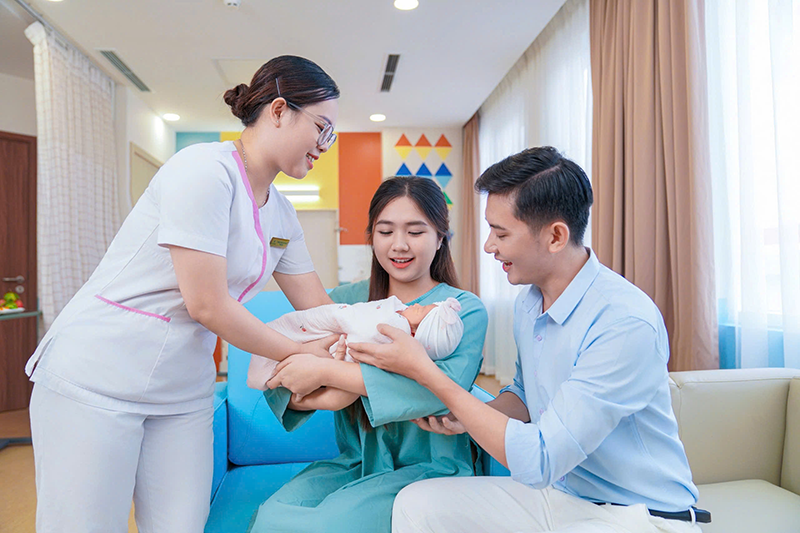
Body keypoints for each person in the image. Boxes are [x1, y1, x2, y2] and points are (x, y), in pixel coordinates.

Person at [24, 55, 341, 533]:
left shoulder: (282, 214)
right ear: (279, 110)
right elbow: (207, 304)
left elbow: (320, 309)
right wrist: (299, 355)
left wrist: (391, 331)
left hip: (182, 391)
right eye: (321, 128)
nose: (324, 146)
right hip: (98, 377)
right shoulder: (203, 170)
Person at [351, 147, 704, 533]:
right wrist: (468, 417)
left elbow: (540, 460)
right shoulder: (529, 303)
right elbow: (524, 394)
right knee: (416, 503)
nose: (489, 246)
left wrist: (426, 373)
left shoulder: (623, 322)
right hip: (563, 494)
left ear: (555, 236)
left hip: (638, 514)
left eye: (501, 233)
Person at [247, 176, 488, 533]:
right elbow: (292, 384)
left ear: (441, 238)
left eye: (416, 232)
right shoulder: (345, 302)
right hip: (358, 462)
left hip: (432, 468)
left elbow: (441, 391)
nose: (399, 245)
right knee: (272, 517)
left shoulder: (459, 310)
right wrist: (305, 385)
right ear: (371, 236)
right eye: (385, 231)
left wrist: (327, 372)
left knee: (326, 526)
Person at [246, 296, 464, 390]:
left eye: (421, 310)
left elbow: (363, 333)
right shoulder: (391, 307)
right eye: (385, 231)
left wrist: (326, 370)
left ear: (415, 333)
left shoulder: (393, 328)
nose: (416, 305)